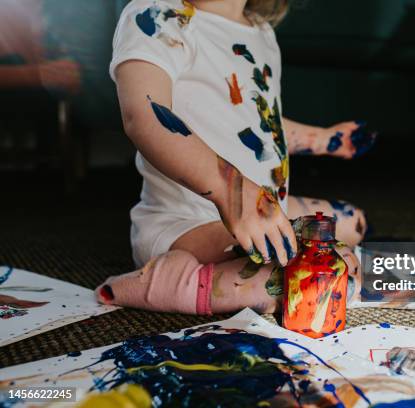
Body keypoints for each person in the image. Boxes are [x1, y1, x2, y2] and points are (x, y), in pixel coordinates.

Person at [96, 0, 376, 314]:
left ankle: (363, 267)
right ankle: (169, 283)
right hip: (188, 225)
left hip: (266, 211)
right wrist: (233, 189)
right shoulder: (156, 14)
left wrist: (324, 140)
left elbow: (261, 126)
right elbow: (145, 115)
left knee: (353, 221)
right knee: (289, 279)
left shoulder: (261, 32)